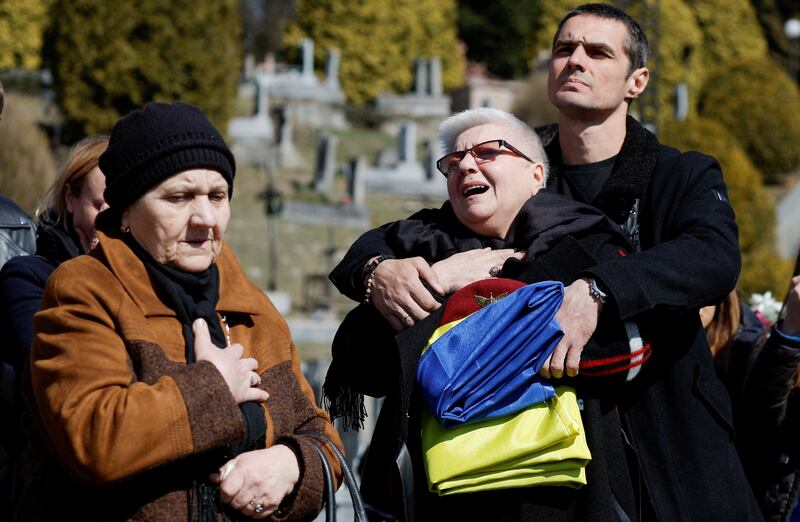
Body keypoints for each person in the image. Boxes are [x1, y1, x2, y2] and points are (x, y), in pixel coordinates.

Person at [329, 3, 760, 520]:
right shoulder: (512, 166)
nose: (575, 60)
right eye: (564, 49)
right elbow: (413, 232)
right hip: (544, 475)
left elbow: (713, 257)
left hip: (669, 440)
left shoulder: (681, 174)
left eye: (598, 52)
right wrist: (376, 270)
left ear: (636, 81)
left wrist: (599, 289)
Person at [326, 107, 662, 520]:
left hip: (564, 494)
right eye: (453, 162)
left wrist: (489, 298)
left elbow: (626, 355)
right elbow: (361, 366)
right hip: (442, 497)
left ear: (537, 175)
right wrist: (437, 278)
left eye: (488, 152)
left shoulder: (590, 245)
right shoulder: (415, 252)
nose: (466, 164)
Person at [16, 102, 342, 521]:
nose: (205, 217)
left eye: (217, 196)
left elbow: (324, 438)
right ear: (128, 211)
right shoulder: (83, 290)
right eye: (180, 197)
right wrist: (213, 387)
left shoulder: (250, 305)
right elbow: (92, 439)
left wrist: (292, 466)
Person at [0, 135, 109, 377]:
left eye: (120, 207)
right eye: (98, 205)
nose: (107, 221)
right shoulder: (28, 276)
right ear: (71, 199)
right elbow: (50, 365)